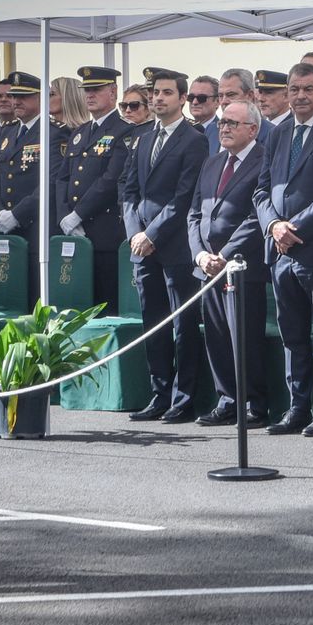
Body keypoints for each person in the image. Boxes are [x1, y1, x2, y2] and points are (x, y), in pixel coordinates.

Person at [254, 63, 313, 438]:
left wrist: (294, 228)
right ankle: (297, 407)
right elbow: (262, 189)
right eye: (294, 90)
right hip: (279, 250)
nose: (300, 97)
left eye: (308, 89)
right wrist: (274, 226)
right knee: (292, 334)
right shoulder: (277, 134)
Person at [119, 67, 209, 423]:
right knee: (151, 321)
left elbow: (184, 196)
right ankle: (158, 394)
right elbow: (128, 191)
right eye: (155, 92)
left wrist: (151, 235)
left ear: (183, 99)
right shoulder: (141, 137)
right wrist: (133, 234)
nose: (158, 98)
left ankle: (182, 398)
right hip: (141, 246)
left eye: (167, 93)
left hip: (174, 247)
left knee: (181, 324)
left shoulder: (194, 139)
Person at [189, 99, 267, 428]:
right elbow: (195, 213)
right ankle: (227, 399)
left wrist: (226, 253)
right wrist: (200, 254)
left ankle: (253, 402)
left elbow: (256, 215)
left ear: (252, 128)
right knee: (217, 336)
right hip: (208, 265)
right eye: (222, 123)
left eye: (233, 123)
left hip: (240, 265)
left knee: (243, 337)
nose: (224, 128)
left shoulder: (264, 160)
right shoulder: (212, 163)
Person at [0, 71, 68, 305]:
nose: (16, 101)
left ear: (40, 98)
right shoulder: (7, 131)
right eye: (14, 95)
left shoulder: (55, 132)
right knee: (7, 296)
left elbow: (51, 181)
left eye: (23, 96)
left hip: (34, 228)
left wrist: (17, 214)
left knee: (34, 297)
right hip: (4, 226)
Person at [59, 66, 137, 311]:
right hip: (74, 230)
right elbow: (62, 178)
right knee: (75, 304)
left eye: (96, 90)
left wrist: (78, 213)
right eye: (86, 90)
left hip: (104, 232)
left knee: (106, 305)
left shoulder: (124, 130)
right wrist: (64, 216)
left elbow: (111, 179)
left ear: (113, 92)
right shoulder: (80, 133)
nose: (89, 95)